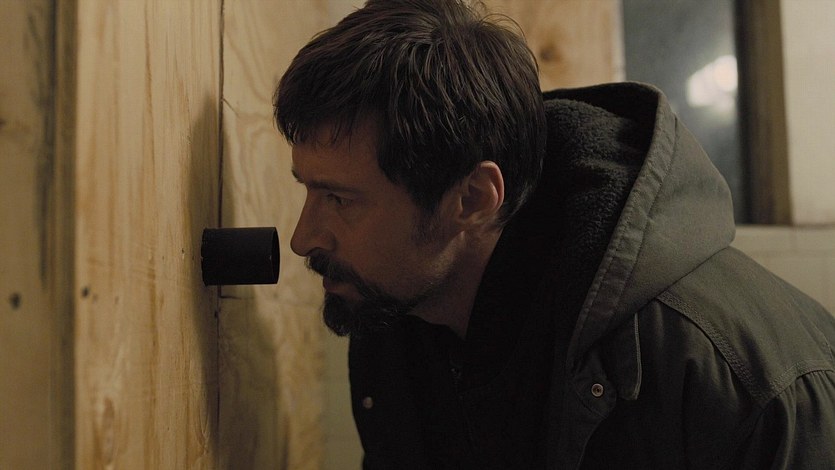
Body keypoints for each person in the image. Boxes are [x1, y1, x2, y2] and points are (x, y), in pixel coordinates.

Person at [273, 0, 835, 468]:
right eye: (308, 190)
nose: (303, 238)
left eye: (340, 200)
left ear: (472, 200)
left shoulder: (742, 382)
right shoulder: (399, 315)